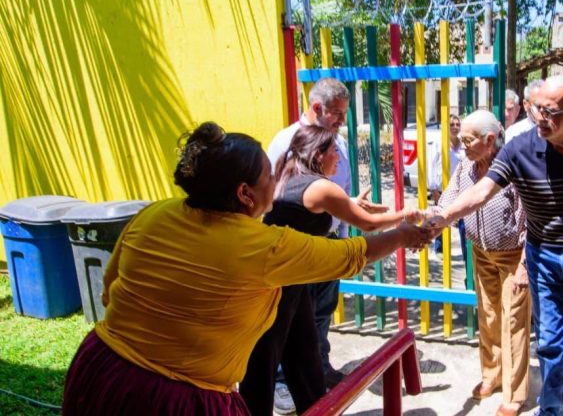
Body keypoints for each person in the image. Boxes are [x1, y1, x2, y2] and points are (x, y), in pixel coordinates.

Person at [62, 122, 432, 416]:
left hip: (100, 367)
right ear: (244, 193)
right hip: (179, 398)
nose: (276, 181)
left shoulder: (153, 214)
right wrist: (404, 234)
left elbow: (109, 290)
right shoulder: (264, 247)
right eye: (269, 175)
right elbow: (352, 254)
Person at [426, 75, 563, 416]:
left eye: (550, 112)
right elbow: (482, 191)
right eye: (536, 109)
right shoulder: (520, 148)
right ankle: (551, 409)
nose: (540, 118)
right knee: (549, 343)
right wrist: (442, 217)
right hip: (545, 258)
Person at [240, 125, 423, 415]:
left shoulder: (291, 175)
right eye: (334, 150)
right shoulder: (320, 187)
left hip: (290, 281)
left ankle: (317, 408)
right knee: (264, 365)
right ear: (318, 154)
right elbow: (368, 224)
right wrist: (406, 218)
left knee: (304, 355)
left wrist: (351, 203)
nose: (338, 157)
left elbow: (309, 208)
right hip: (277, 288)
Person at [265, 78, 387, 398]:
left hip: (329, 240)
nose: (343, 120)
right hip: (298, 248)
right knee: (290, 318)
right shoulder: (286, 141)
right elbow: (274, 195)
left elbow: (340, 193)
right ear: (317, 107)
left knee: (322, 310)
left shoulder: (338, 142)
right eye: (337, 113)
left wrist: (344, 232)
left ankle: (319, 365)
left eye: (345, 113)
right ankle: (283, 382)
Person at [433, 110, 529, 416]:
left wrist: (525, 263)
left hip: (513, 255)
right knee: (488, 317)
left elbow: (530, 219)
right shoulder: (466, 165)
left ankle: (514, 393)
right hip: (481, 252)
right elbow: (449, 199)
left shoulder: (513, 167)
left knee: (513, 322)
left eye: (468, 140)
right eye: (461, 140)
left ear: (489, 140)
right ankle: (492, 374)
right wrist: (430, 220)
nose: (462, 146)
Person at [429, 113, 468, 260]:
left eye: (457, 124)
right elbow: (431, 165)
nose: (455, 127)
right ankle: (440, 249)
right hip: (442, 188)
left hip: (460, 188)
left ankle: (465, 252)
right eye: (452, 124)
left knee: (462, 221)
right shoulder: (439, 143)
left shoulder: (463, 145)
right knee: (441, 218)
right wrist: (433, 188)